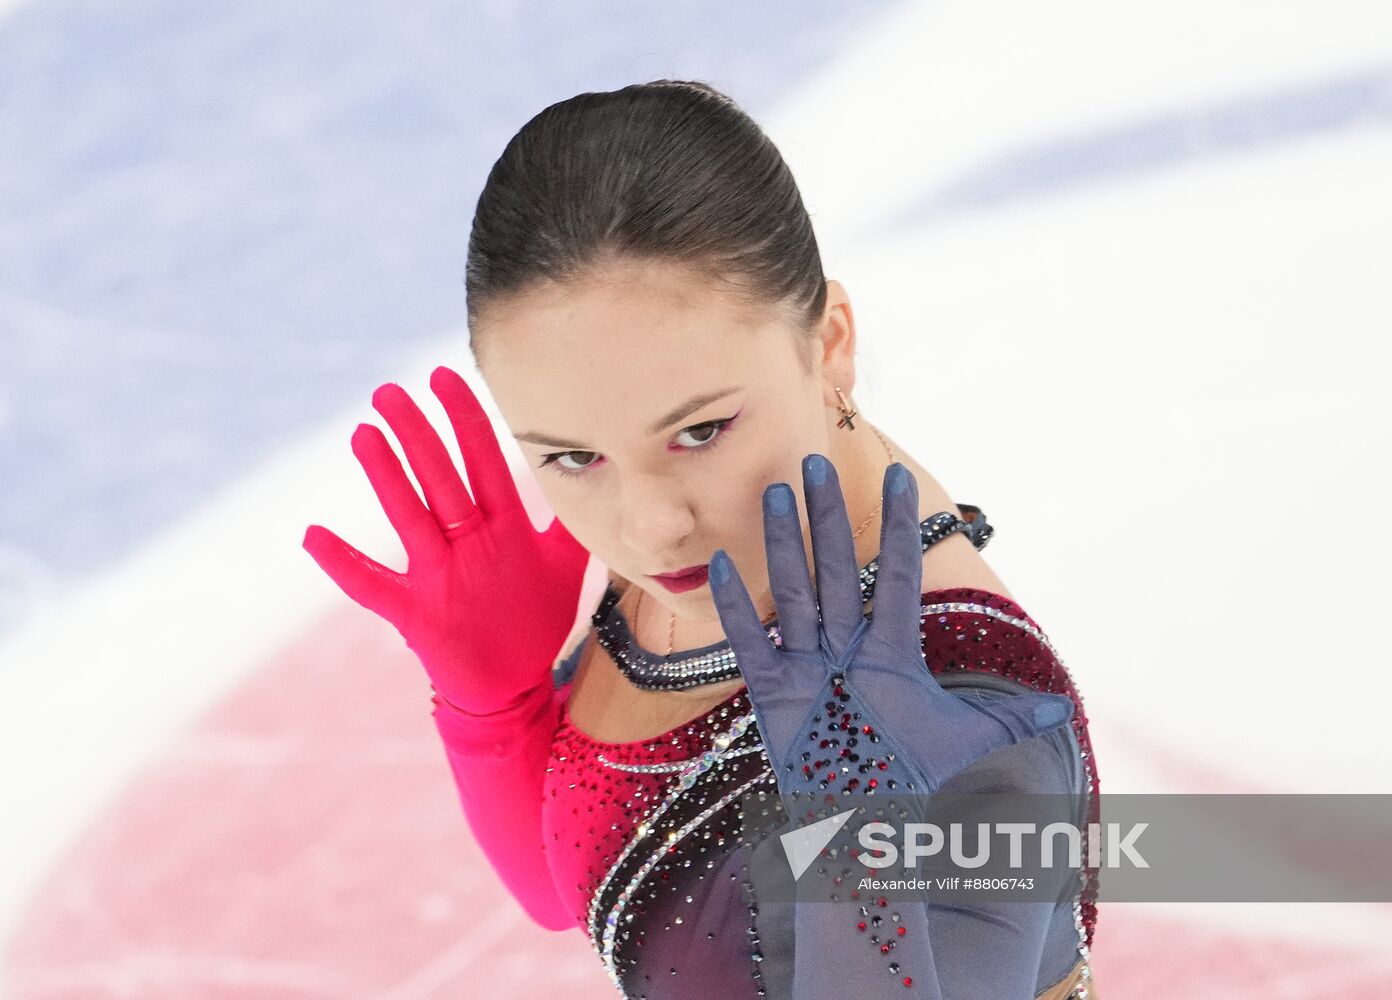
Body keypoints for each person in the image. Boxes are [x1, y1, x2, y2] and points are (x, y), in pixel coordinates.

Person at [302, 79, 1101, 999]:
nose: (648, 525)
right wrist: (494, 710)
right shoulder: (707, 549)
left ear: (829, 339)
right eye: (571, 455)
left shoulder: (970, 697)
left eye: (701, 431)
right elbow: (572, 888)